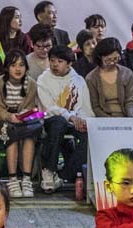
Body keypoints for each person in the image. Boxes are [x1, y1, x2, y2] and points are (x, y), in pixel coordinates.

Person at [36, 45, 91, 193]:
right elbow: (48, 107)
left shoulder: (78, 81)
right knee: (58, 124)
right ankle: (49, 170)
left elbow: (86, 108)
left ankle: (66, 174)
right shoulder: (43, 80)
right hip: (52, 119)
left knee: (89, 133)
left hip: (75, 120)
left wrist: (84, 121)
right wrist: (70, 116)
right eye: (52, 60)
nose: (54, 64)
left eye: (59, 61)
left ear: (69, 64)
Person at [0, 50, 42, 198]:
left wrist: (24, 115)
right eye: (13, 65)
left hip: (23, 121)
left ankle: (26, 179)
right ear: (6, 67)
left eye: (21, 65)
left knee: (29, 135)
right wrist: (10, 117)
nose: (18, 69)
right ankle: (13, 179)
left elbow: (32, 107)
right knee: (12, 133)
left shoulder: (31, 84)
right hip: (3, 120)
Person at [85, 37, 133, 118]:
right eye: (108, 60)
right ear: (100, 57)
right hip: (103, 120)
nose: (112, 62)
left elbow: (130, 101)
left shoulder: (127, 73)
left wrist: (132, 118)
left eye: (116, 59)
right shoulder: (91, 78)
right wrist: (110, 122)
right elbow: (95, 107)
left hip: (125, 118)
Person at [0, 6, 29, 78]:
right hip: (0, 79)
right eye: (16, 17)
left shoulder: (24, 39)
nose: (20, 20)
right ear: (7, 19)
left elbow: (28, 60)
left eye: (20, 17)